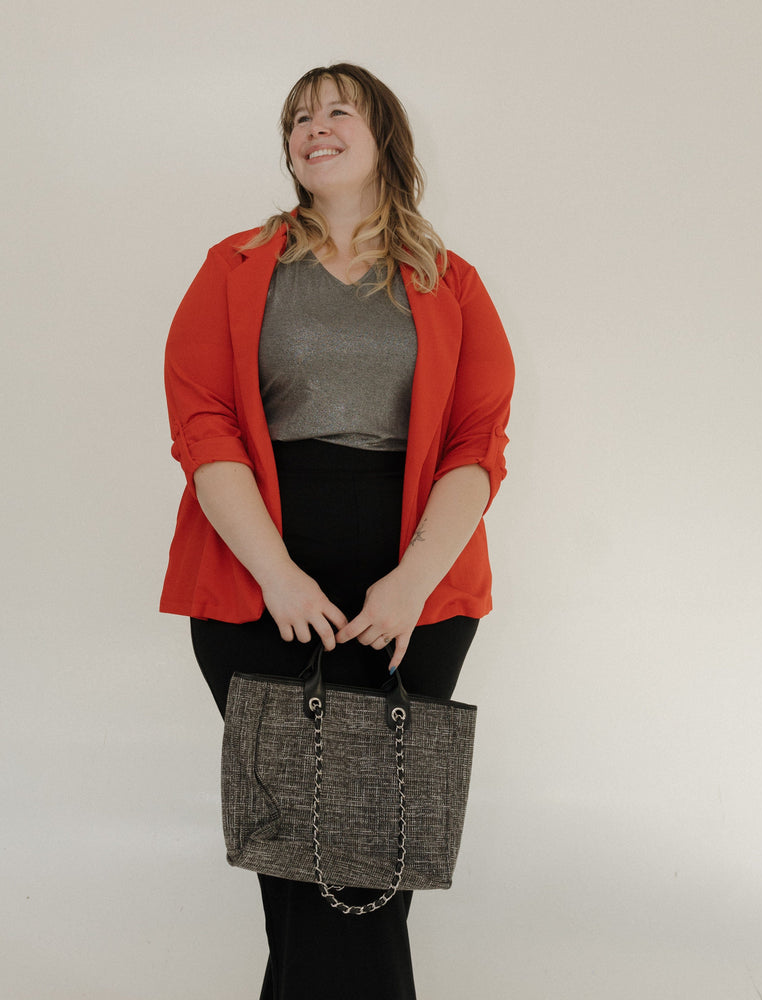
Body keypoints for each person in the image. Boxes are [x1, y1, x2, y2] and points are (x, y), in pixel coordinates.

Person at [161, 63, 514, 1000]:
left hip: (413, 589)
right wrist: (275, 574)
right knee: (304, 847)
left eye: (336, 111)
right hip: (257, 583)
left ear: (383, 135)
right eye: (298, 118)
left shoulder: (453, 283)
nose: (313, 127)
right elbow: (202, 428)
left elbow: (478, 447)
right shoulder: (235, 267)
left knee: (367, 855)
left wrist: (413, 584)